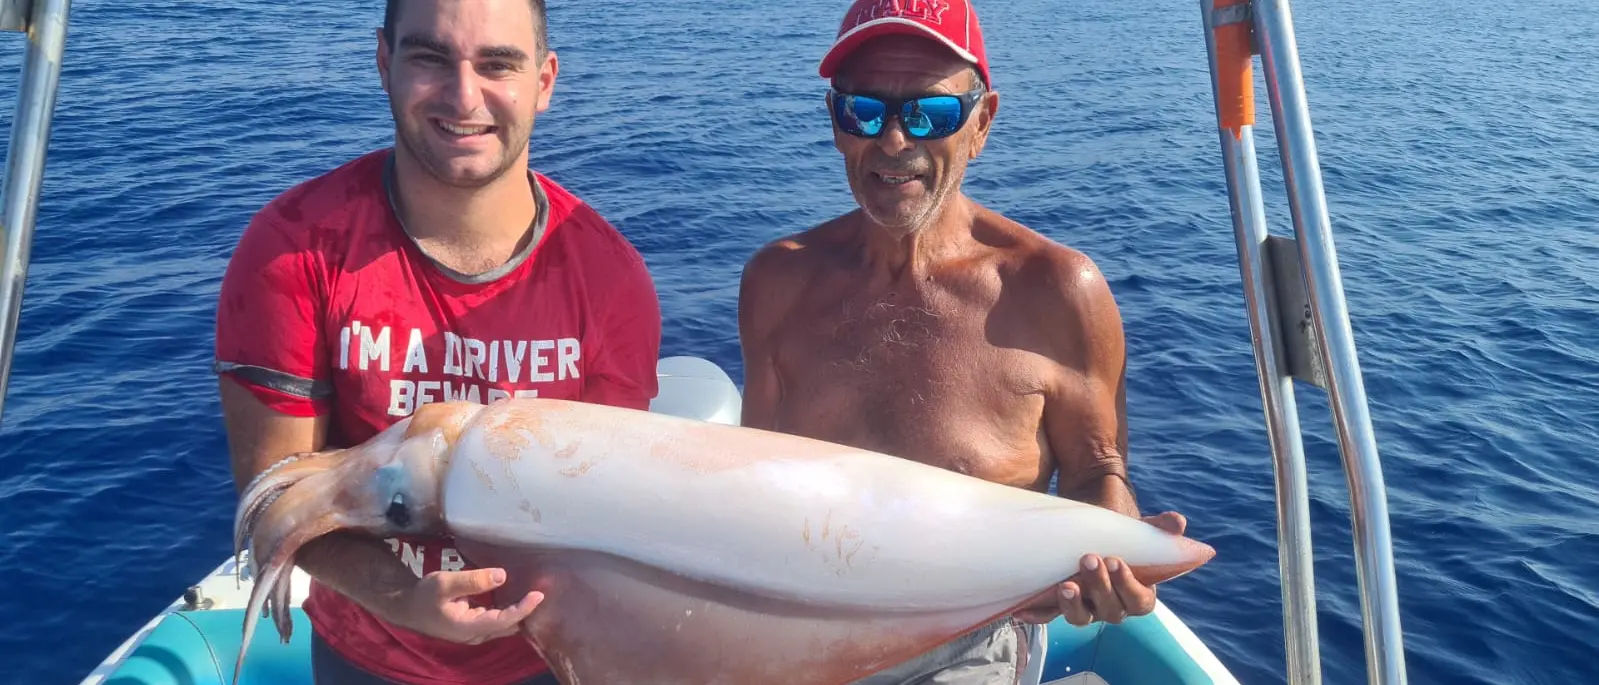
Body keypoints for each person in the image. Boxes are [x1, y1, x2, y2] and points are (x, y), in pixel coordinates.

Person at [737, 0, 1189, 681]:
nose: (894, 140)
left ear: (982, 123)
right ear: (835, 123)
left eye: (932, 113)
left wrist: (1111, 558)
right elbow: (755, 482)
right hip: (799, 619)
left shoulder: (1057, 290)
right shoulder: (776, 281)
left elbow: (1097, 470)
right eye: (863, 110)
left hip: (969, 639)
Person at [211, 0, 661, 683]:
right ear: (384, 62)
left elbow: (605, 509)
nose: (463, 96)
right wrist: (403, 598)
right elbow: (276, 493)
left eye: (497, 64)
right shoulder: (292, 251)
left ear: (543, 81)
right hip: (364, 660)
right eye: (430, 58)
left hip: (544, 659)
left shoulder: (609, 278)